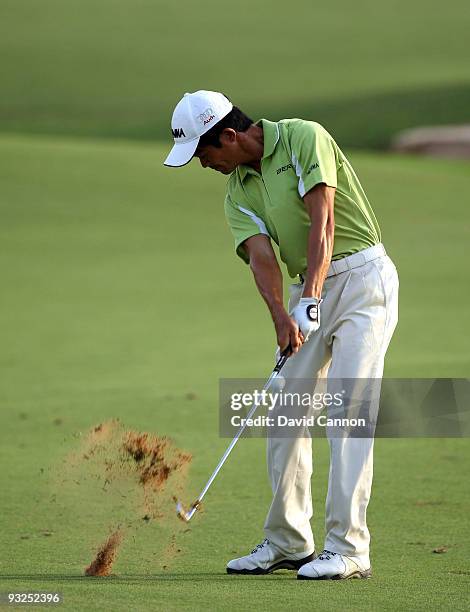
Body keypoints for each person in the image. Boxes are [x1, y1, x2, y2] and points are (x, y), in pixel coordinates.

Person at [164, 90, 399, 580]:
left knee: (348, 413)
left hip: (362, 281)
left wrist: (312, 292)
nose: (203, 164)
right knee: (286, 412)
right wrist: (283, 317)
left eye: (204, 153)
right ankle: (289, 541)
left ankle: (349, 548)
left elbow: (324, 218)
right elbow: (261, 257)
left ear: (228, 136)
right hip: (305, 294)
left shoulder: (302, 137)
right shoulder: (237, 191)